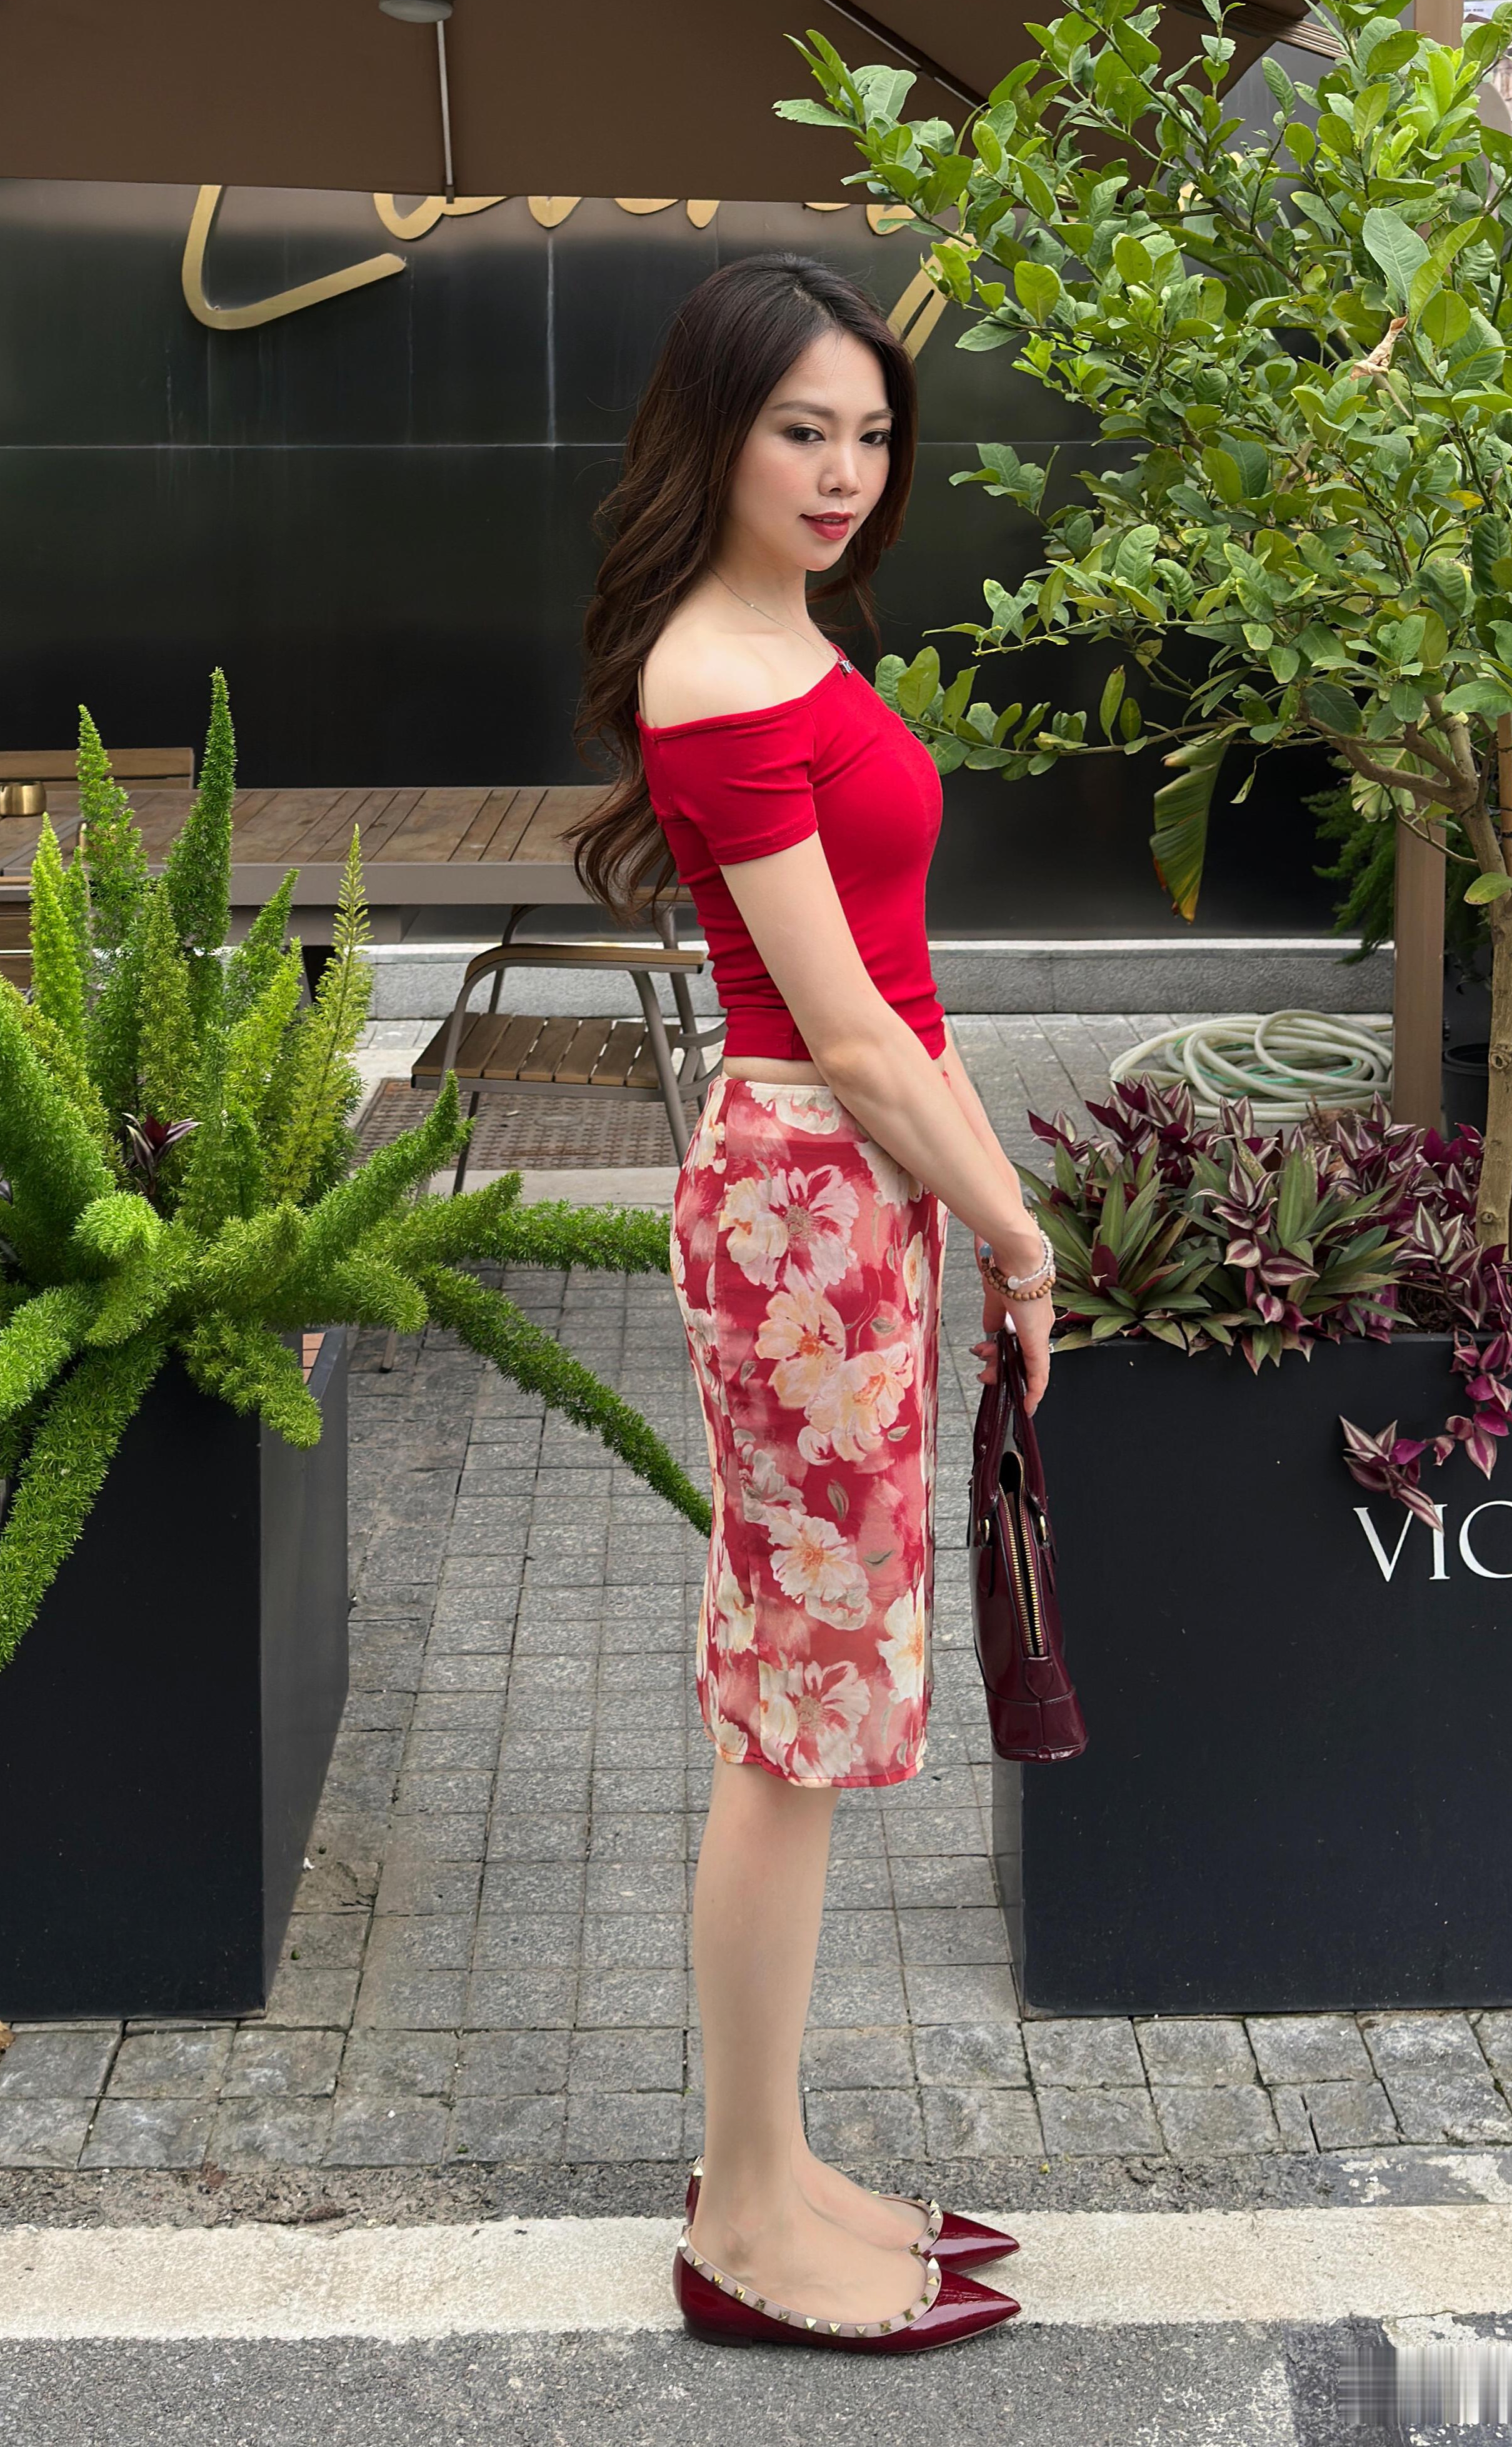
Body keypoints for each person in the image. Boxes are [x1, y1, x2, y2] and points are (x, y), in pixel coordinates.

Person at [575, 253, 1056, 2356]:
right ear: (716, 433)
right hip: (806, 1209)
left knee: (809, 1705)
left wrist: (978, 1200)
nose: (845, 469)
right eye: (801, 430)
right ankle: (744, 2223)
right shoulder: (714, 668)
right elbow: (847, 1033)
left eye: (869, 432)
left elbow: (897, 994)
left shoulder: (794, 628)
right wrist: (1019, 1231)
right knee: (790, 1720)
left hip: (854, 1202)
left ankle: (767, 2163)